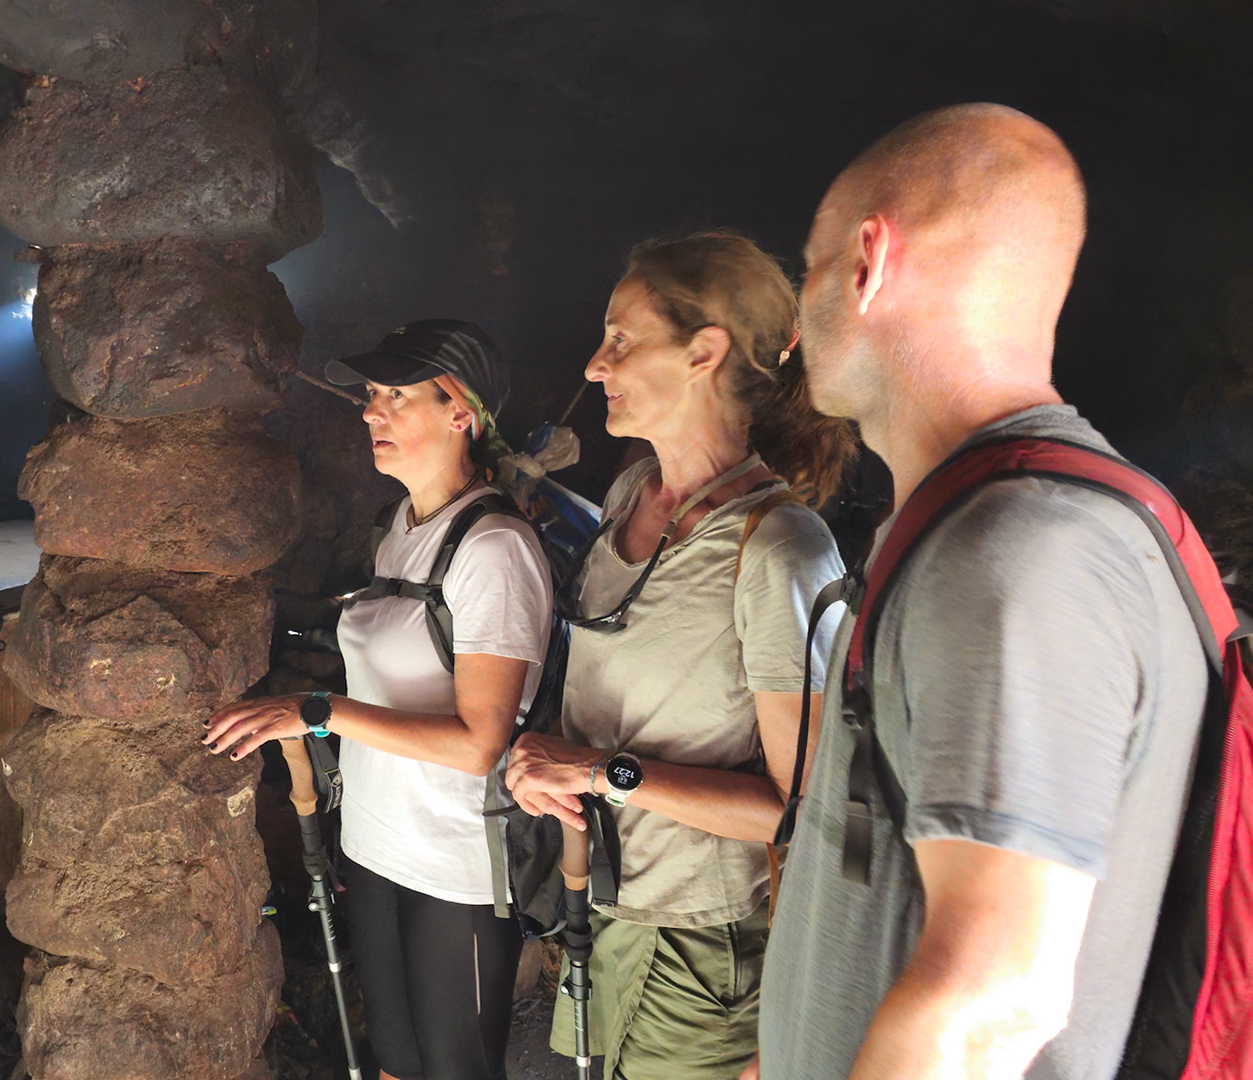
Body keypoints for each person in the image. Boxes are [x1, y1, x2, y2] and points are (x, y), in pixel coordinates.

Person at [754, 104, 1210, 1080]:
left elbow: (991, 1009)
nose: (798, 317)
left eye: (809, 268)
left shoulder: (1015, 557)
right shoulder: (1001, 530)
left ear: (870, 261)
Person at [502, 231, 855, 1079]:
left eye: (622, 338)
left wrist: (593, 771)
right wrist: (544, 768)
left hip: (702, 944)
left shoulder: (776, 549)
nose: (594, 365)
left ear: (705, 352)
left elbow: (798, 811)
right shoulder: (631, 494)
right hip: (610, 906)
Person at [205, 320, 552, 1080]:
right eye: (370, 395)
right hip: (376, 843)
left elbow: (480, 740)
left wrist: (319, 711)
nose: (370, 413)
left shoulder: (493, 547)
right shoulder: (403, 526)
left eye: (396, 396)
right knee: (393, 1063)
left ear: (462, 411)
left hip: (453, 861)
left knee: (454, 1069)